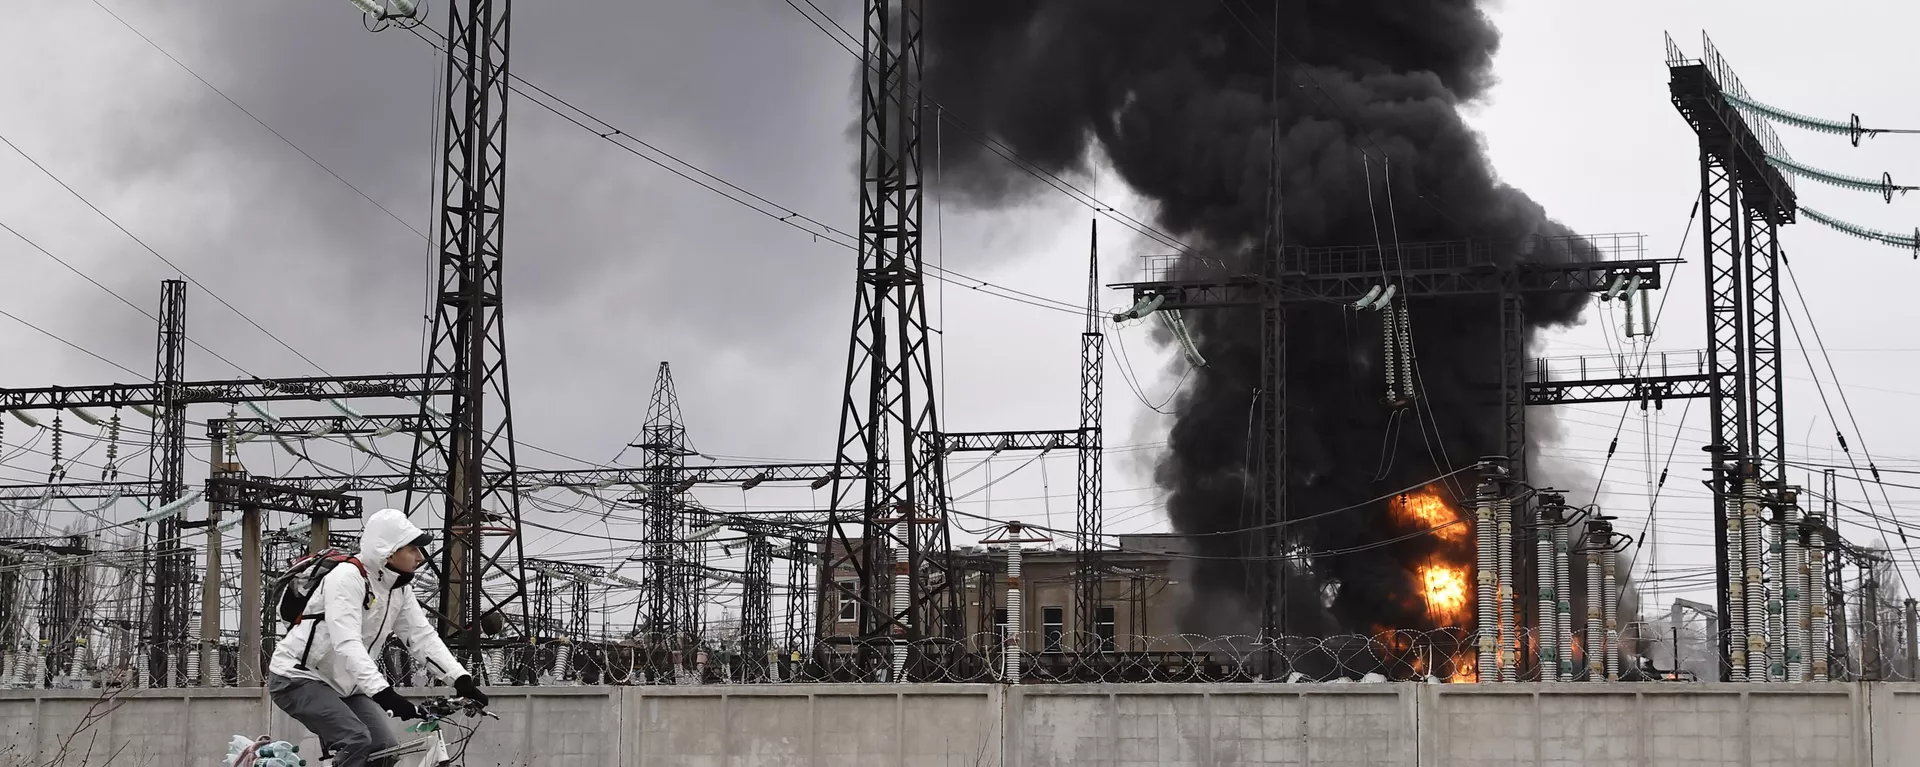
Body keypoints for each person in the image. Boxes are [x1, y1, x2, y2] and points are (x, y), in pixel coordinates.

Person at [267, 508, 490, 767]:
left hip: (347, 684)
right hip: (299, 677)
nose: (420, 557)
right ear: (388, 551)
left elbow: (421, 636)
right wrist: (384, 693)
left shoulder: (397, 589)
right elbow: (346, 643)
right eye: (412, 549)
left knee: (384, 748)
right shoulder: (347, 578)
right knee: (356, 740)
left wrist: (460, 678)